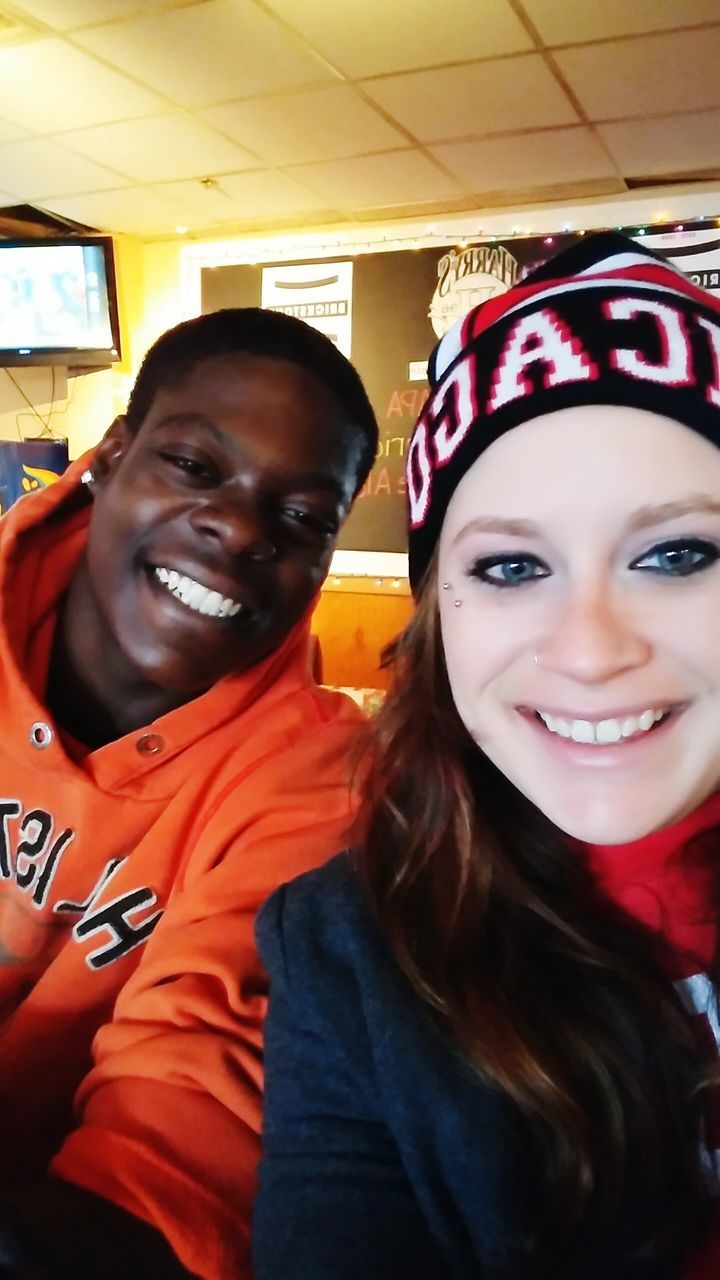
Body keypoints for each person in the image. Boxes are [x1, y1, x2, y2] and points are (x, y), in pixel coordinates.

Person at [253, 233, 720, 1279]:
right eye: (510, 564)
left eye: (678, 552)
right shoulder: (343, 954)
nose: (593, 650)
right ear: (438, 618)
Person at [0, 307, 378, 1278]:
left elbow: (182, 1119)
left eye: (301, 516)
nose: (240, 526)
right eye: (195, 466)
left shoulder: (315, 780)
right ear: (111, 453)